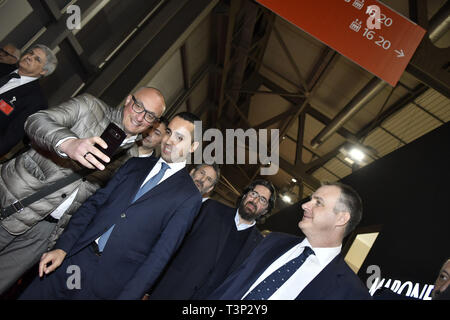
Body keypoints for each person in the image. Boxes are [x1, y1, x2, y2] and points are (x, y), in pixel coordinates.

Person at [19, 112, 203, 300]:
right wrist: (63, 247)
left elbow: (160, 255)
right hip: (73, 259)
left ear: (193, 147)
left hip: (107, 284)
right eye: (169, 132)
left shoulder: (188, 196)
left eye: (179, 138)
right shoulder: (134, 165)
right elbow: (94, 205)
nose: (169, 141)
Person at [0, 87, 165, 294]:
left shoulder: (131, 159)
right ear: (129, 99)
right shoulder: (89, 106)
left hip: (45, 233)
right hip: (15, 200)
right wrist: (68, 143)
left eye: (150, 115)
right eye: (139, 106)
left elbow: (97, 203)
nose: (140, 117)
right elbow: (35, 121)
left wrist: (62, 244)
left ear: (154, 123)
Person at [209, 182, 371, 300]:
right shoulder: (273, 241)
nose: (305, 205)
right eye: (310, 199)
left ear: (341, 218)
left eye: (318, 203)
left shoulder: (350, 292)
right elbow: (230, 286)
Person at [148, 179, 276, 300]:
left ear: (265, 210)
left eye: (263, 200)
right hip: (170, 289)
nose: (255, 200)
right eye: (254, 194)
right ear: (245, 195)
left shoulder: (259, 245)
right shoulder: (211, 208)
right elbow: (175, 242)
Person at [0, 44, 57, 158]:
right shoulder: (2, 68)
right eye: (31, 53)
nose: (29, 57)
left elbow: (12, 135)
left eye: (37, 59)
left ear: (43, 71)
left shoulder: (36, 101)